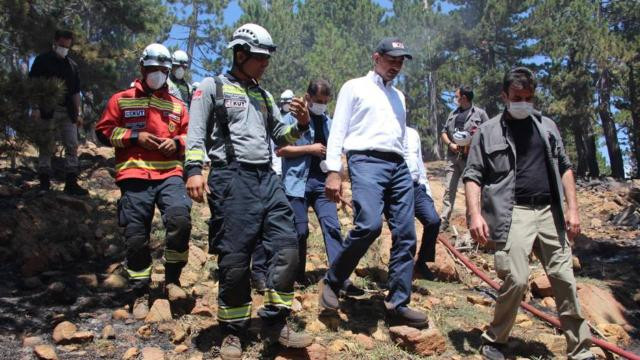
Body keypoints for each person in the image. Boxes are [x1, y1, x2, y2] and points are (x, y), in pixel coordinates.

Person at [184, 23, 313, 359]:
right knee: (236, 259)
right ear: (240, 54)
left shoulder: (263, 95)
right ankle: (233, 330)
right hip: (231, 179)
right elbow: (195, 135)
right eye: (259, 57)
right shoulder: (211, 87)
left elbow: (280, 139)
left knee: (288, 244)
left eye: (267, 58)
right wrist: (194, 170)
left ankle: (274, 320)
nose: (265, 64)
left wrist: (300, 125)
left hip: (267, 180)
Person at [463, 67, 595, 360]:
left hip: (550, 211)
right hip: (514, 212)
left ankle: (580, 349)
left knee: (564, 278)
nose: (523, 102)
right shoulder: (488, 131)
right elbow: (472, 175)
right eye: (516, 97)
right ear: (504, 96)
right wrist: (475, 215)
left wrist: (573, 209)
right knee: (517, 278)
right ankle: (496, 340)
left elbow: (564, 167)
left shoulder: (547, 126)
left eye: (528, 97)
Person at [320, 37, 428, 328]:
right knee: (369, 224)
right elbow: (338, 130)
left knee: (406, 234)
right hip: (365, 161)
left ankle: (398, 303)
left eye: (401, 61)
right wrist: (333, 171)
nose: (396, 66)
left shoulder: (400, 97)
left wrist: (413, 173)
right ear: (375, 57)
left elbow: (402, 138)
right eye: (391, 59)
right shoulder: (354, 87)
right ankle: (333, 280)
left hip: (398, 167)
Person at [95, 43, 192, 317]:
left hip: (170, 174)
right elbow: (103, 132)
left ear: (168, 71)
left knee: (180, 219)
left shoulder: (177, 106)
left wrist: (176, 143)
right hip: (134, 174)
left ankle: (172, 279)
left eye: (162, 70)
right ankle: (140, 290)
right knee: (136, 236)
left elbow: (191, 137)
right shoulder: (121, 99)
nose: (157, 74)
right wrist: (134, 137)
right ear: (142, 68)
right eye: (152, 69)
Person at [277, 78, 365, 296]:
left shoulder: (330, 123)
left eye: (326, 101)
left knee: (333, 228)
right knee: (300, 230)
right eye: (318, 100)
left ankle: (340, 278)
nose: (322, 104)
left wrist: (339, 179)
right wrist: (310, 149)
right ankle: (296, 276)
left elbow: (337, 154)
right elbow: (281, 150)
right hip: (296, 182)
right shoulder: (289, 119)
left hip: (322, 184)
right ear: (307, 98)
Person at [29, 30, 88, 195]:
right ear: (55, 42)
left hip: (68, 112)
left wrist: (79, 113)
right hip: (47, 109)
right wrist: (34, 108)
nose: (64, 49)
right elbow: (33, 86)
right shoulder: (42, 61)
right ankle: (44, 182)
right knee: (46, 144)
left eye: (67, 46)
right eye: (62, 45)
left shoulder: (72, 66)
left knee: (72, 145)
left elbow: (76, 92)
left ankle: (71, 183)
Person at [439, 86, 489, 229]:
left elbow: (488, 133)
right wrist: (450, 144)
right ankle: (443, 220)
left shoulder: (480, 114)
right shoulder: (453, 113)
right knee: (449, 188)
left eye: (456, 96)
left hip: (471, 159)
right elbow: (443, 132)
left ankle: (471, 222)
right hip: (453, 157)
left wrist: (473, 146)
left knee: (471, 191)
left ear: (464, 98)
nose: (455, 99)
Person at [406, 126, 440, 280]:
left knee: (433, 220)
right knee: (406, 231)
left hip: (416, 187)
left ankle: (421, 262)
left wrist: (427, 190)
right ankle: (404, 269)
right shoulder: (385, 131)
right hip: (397, 188)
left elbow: (419, 162)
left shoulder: (413, 134)